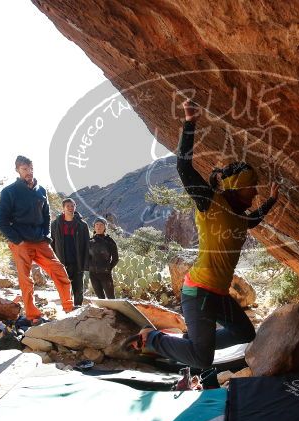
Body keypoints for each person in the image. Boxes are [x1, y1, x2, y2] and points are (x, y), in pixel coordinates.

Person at [130, 100, 280, 367]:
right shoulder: (210, 203)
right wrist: (190, 123)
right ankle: (152, 338)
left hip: (218, 294)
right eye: (250, 189)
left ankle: (191, 341)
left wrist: (271, 201)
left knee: (245, 333)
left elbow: (252, 222)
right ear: (234, 188)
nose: (254, 193)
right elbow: (184, 168)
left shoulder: (238, 217)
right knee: (202, 359)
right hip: (198, 292)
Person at [0, 155, 74, 324]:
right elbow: (1, 220)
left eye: (30, 168)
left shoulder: (41, 190)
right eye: (24, 169)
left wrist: (47, 236)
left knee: (59, 271)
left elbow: (46, 216)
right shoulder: (10, 191)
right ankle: (33, 316)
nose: (28, 172)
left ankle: (69, 308)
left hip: (40, 241)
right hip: (21, 242)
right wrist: (17, 240)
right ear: (17, 170)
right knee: (26, 279)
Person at [50, 198, 90, 306]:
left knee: (78, 290)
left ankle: (77, 310)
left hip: (77, 262)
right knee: (64, 289)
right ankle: (67, 310)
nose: (70, 208)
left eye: (72, 206)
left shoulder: (82, 225)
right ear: (63, 208)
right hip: (62, 263)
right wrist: (53, 263)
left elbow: (87, 245)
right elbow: (52, 244)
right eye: (68, 206)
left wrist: (86, 264)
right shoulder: (55, 224)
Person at [87, 217, 119, 299]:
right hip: (93, 274)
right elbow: (87, 257)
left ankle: (114, 311)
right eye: (97, 224)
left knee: (111, 297)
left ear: (105, 227)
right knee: (100, 297)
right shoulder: (90, 241)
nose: (99, 226)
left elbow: (115, 258)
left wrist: (109, 268)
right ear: (94, 227)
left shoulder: (109, 241)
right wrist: (89, 267)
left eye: (101, 225)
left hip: (105, 274)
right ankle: (104, 311)